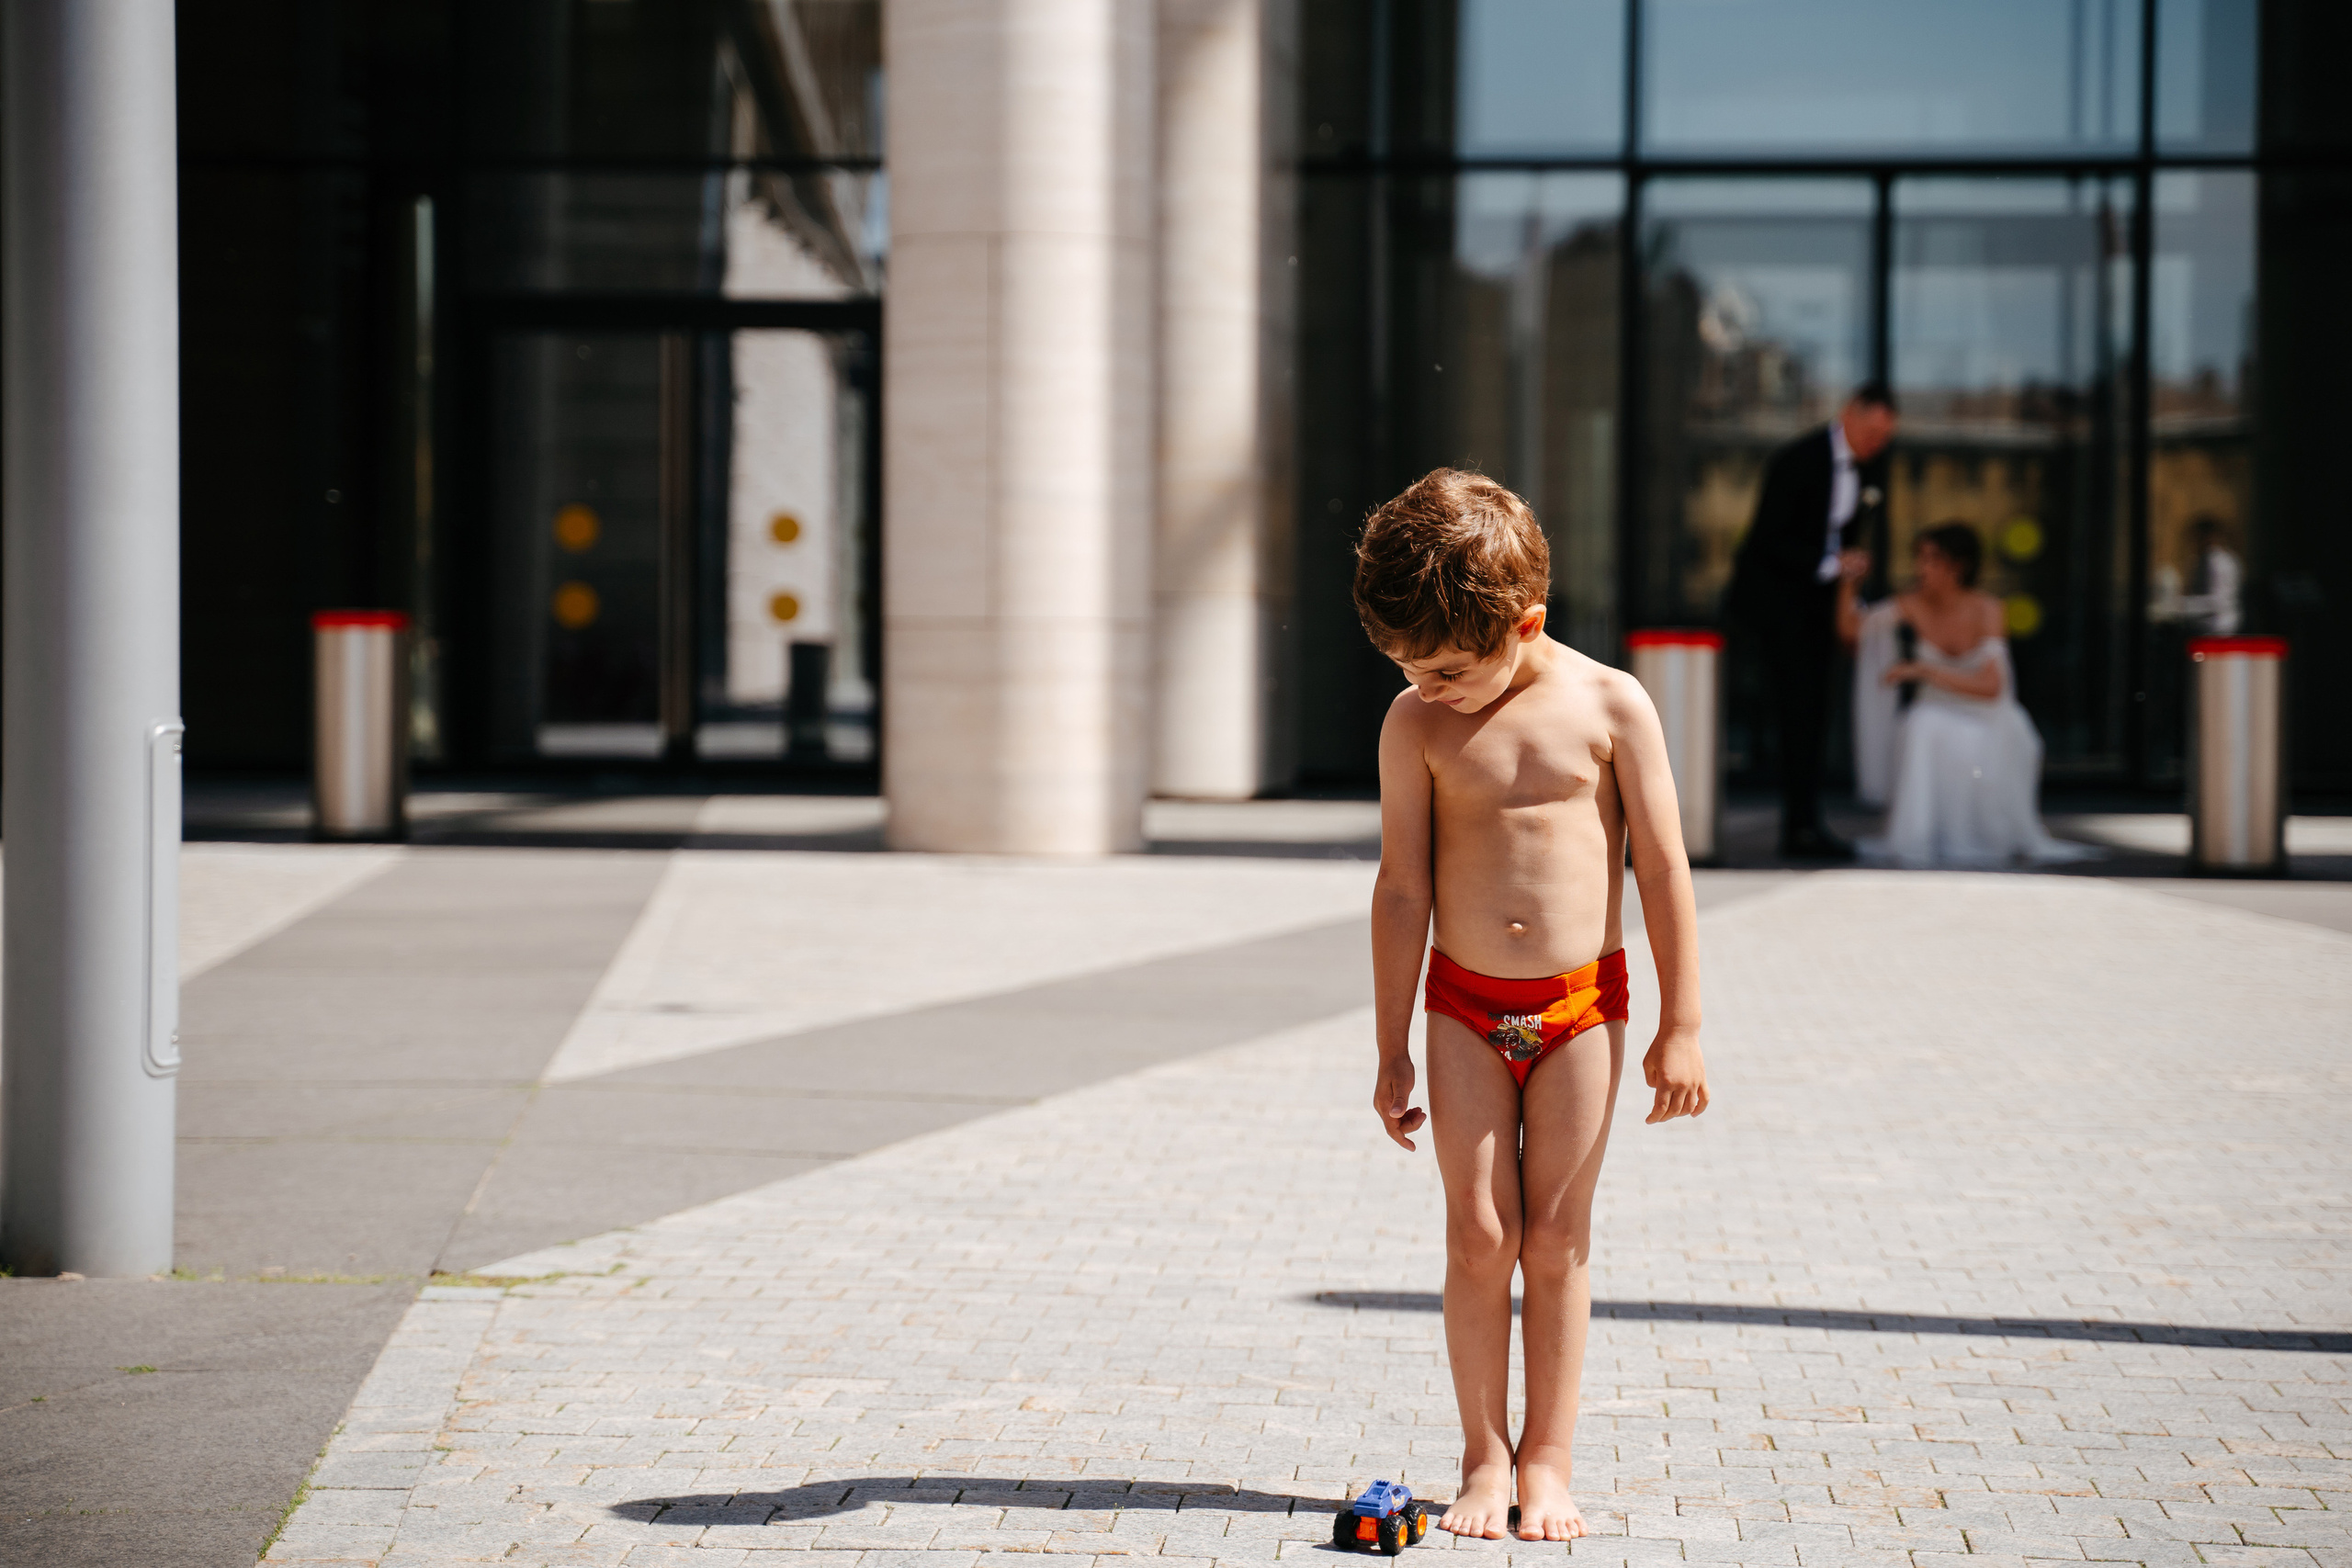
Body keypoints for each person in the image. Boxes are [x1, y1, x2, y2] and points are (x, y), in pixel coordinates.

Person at [1354, 469, 1710, 1543]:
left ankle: (1547, 1462)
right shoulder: (1415, 723)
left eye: (1449, 666)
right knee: (1476, 1234)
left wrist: (1681, 1024)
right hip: (1461, 1010)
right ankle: (1482, 1457)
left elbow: (1660, 865)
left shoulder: (1608, 705)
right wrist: (1391, 1049)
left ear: (1527, 624)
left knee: (1553, 1238)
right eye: (1407, 666)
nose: (1429, 683)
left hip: (1579, 1014)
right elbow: (1402, 887)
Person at [1840, 523, 2096, 868]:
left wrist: (1923, 670)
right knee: (1921, 723)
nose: (1921, 569)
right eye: (1919, 558)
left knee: (1963, 731)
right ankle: (1919, 835)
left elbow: (1992, 688)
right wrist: (1848, 583)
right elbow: (1854, 629)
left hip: (1987, 715)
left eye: (1932, 559)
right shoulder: (1911, 603)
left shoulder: (1988, 609)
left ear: (1958, 566)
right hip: (1934, 710)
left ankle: (1983, 835)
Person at [1725, 382, 1899, 859]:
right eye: (1871, 431)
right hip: (1776, 609)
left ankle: (1805, 824)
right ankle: (1796, 827)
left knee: (1813, 716)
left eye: (1884, 436)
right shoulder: (1797, 459)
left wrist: (1848, 586)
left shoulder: (1871, 468)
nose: (1875, 443)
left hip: (1820, 609)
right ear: (1848, 414)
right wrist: (1833, 565)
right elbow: (1768, 540)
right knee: (1791, 715)